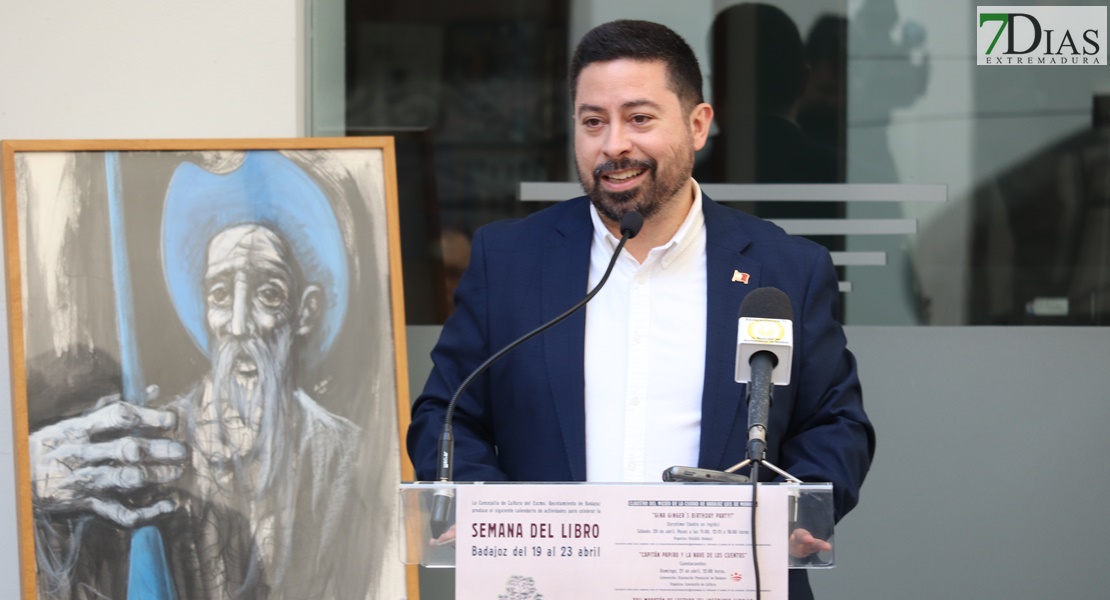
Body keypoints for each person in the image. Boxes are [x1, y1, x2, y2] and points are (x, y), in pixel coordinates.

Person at [407, 19, 875, 600]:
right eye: (593, 122)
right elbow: (446, 415)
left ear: (698, 124)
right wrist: (492, 518)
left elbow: (836, 423)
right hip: (546, 585)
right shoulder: (510, 260)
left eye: (640, 118)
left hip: (727, 584)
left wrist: (789, 514)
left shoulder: (785, 268)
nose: (614, 145)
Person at [28, 153, 386, 600]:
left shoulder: (346, 456)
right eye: (220, 293)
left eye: (268, 294)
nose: (238, 324)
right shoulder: (143, 451)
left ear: (304, 312)